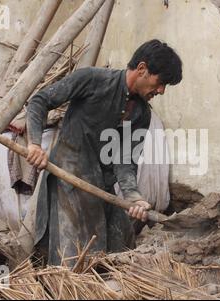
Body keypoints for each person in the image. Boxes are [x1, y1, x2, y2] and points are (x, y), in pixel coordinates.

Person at [25, 39, 183, 265]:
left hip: (102, 186)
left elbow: (125, 160)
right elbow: (40, 101)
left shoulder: (141, 113)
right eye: (161, 82)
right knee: (76, 257)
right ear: (142, 69)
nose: (162, 90)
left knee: (122, 245)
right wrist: (34, 144)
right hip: (68, 179)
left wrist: (133, 197)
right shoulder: (91, 79)